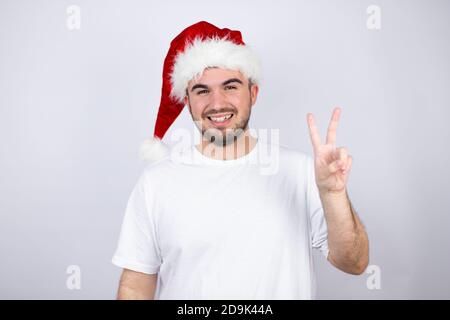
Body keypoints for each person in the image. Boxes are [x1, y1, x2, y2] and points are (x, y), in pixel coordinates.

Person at [111, 21, 369, 300]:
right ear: (187, 100)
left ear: (253, 93)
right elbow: (136, 285)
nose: (217, 103)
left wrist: (333, 195)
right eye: (202, 90)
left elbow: (353, 262)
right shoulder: (156, 182)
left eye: (230, 86)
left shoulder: (301, 172)